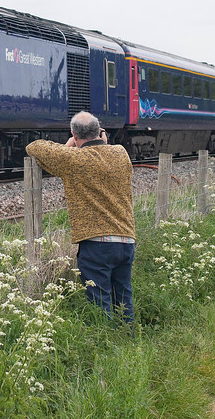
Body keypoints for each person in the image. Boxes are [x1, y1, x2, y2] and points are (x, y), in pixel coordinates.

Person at [25, 111, 136, 321]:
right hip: (126, 239)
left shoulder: (73, 159)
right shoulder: (121, 153)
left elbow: (34, 147)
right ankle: (128, 341)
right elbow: (105, 153)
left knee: (99, 303)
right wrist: (102, 143)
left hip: (97, 243)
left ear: (74, 135)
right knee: (124, 299)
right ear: (100, 132)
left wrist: (68, 146)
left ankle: (105, 344)